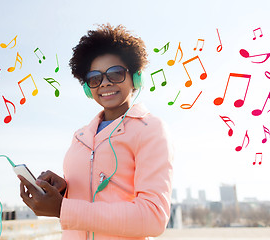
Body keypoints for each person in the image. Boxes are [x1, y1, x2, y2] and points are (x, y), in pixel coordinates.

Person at [18, 23, 174, 240]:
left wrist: (63, 208)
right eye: (95, 78)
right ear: (87, 87)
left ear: (136, 77)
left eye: (116, 73)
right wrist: (63, 191)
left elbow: (153, 217)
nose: (105, 83)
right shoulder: (80, 136)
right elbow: (90, 198)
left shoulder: (151, 130)